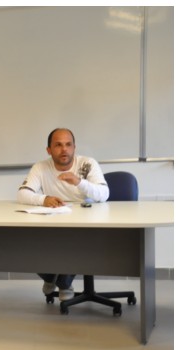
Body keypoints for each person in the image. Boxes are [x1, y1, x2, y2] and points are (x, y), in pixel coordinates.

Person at [17, 127, 109, 301]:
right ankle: (51, 277)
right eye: (58, 145)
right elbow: (22, 194)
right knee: (25, 241)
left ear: (74, 147)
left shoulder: (87, 164)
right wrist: (43, 199)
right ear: (49, 150)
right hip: (55, 221)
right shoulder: (40, 167)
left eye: (68, 144)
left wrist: (79, 182)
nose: (64, 149)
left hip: (86, 223)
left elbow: (104, 194)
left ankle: (64, 282)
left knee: (74, 240)